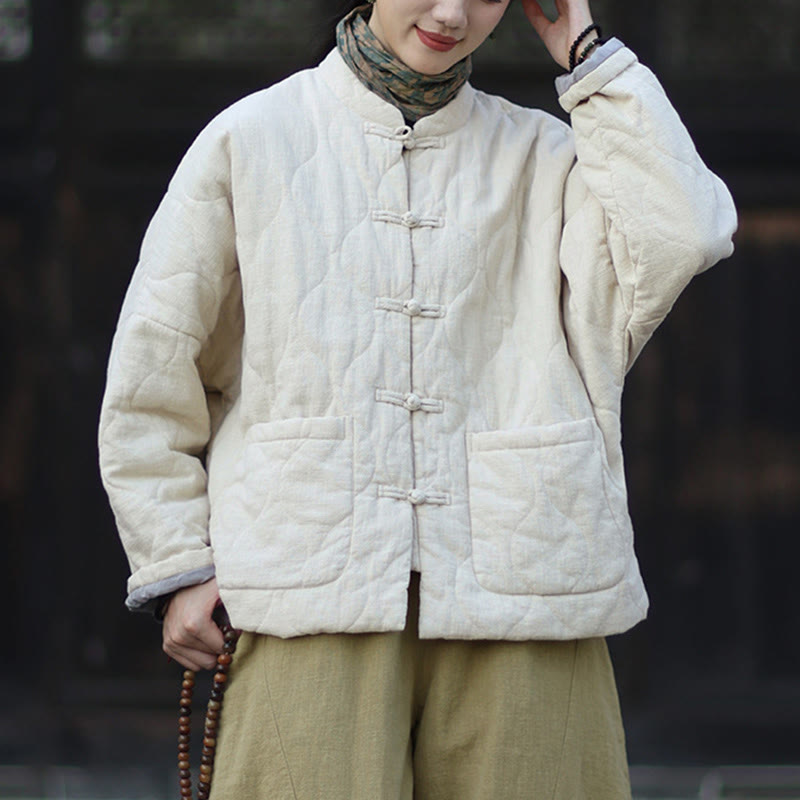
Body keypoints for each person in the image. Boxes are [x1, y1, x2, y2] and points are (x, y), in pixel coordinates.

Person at [98, 0, 737, 797]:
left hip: (529, 586)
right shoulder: (250, 139)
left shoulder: (550, 154)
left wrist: (585, 52)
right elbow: (152, 375)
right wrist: (176, 561)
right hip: (305, 581)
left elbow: (689, 232)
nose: (452, 13)